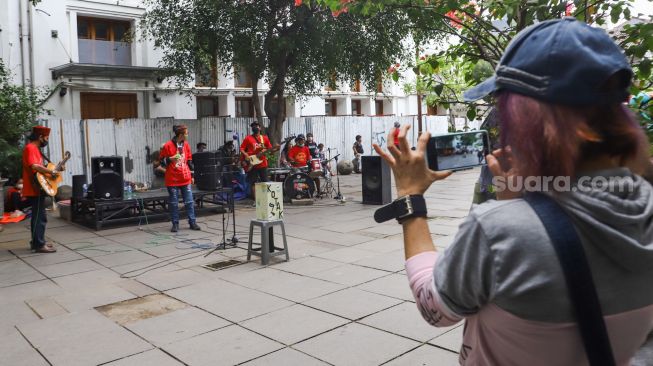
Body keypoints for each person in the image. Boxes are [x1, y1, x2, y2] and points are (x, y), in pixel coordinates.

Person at [373, 18, 653, 365]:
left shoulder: (499, 230)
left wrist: (410, 198)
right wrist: (527, 202)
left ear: (530, 121)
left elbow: (436, 310)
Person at [22, 126, 58, 253]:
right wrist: (51, 171)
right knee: (39, 217)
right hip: (34, 188)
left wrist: (53, 171)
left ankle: (37, 242)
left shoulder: (35, 149)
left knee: (40, 216)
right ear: (40, 137)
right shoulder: (31, 148)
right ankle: (38, 244)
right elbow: (35, 166)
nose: (47, 141)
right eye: (46, 138)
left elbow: (40, 170)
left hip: (37, 187)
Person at [160, 125, 200, 232]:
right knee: (174, 203)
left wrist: (192, 175)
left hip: (185, 178)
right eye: (186, 133)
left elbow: (189, 161)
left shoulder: (186, 145)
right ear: (181, 135)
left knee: (189, 201)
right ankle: (175, 224)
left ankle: (192, 222)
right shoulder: (167, 145)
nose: (187, 135)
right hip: (172, 179)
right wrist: (170, 159)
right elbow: (159, 161)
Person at [240, 121, 273, 199]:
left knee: (265, 182)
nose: (255, 127)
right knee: (253, 183)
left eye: (256, 126)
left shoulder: (264, 138)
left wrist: (275, 148)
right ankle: (255, 200)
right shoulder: (248, 138)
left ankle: (266, 199)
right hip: (252, 163)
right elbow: (241, 149)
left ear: (260, 128)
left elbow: (270, 149)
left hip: (262, 163)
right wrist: (246, 155)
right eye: (253, 126)